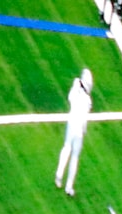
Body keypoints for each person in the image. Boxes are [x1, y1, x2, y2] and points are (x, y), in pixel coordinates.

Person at [53, 65, 92, 194]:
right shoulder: (87, 99)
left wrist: (76, 86)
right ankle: (68, 185)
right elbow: (85, 118)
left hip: (72, 123)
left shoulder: (77, 91)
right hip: (79, 127)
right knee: (74, 155)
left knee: (67, 148)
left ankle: (59, 176)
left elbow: (70, 98)